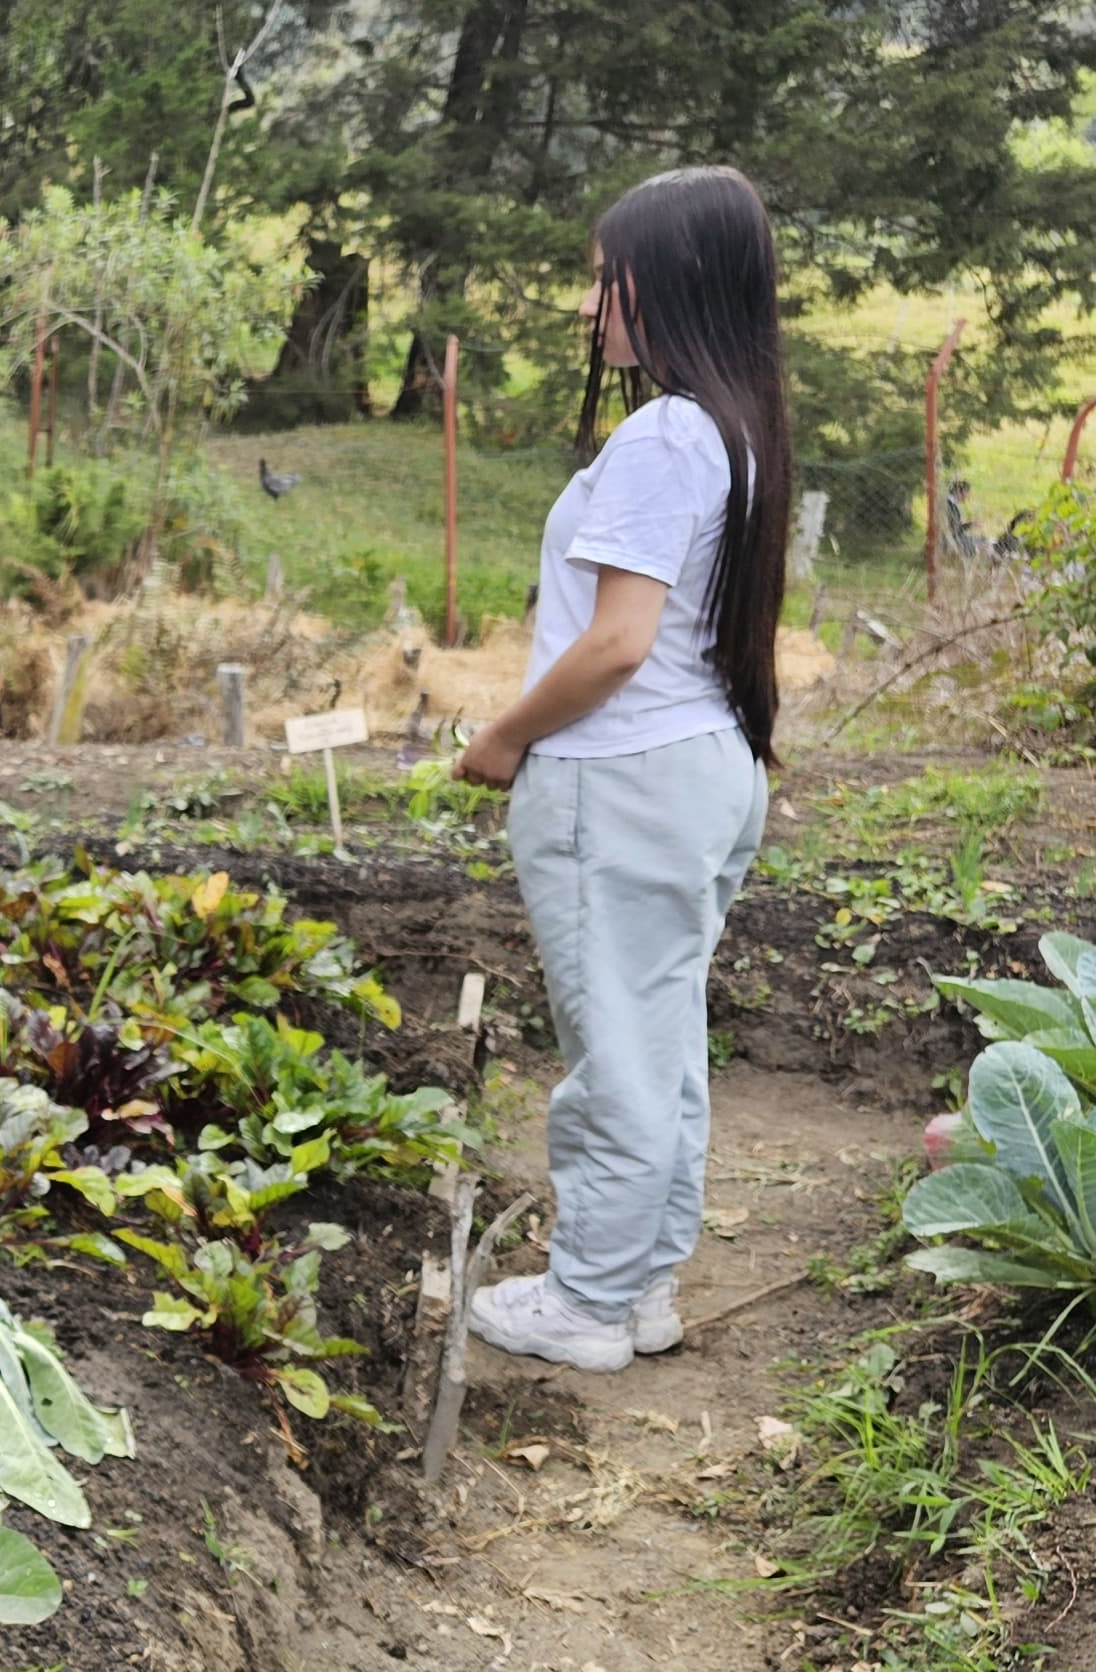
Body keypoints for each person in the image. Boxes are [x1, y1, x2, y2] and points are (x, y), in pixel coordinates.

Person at [451, 165, 790, 1373]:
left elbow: (614, 642)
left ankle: (587, 1300)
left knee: (617, 1047)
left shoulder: (661, 435)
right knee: (662, 1037)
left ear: (670, 284)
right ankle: (639, 1284)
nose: (593, 306)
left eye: (608, 278)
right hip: (704, 764)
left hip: (622, 775)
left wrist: (501, 736)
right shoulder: (738, 429)